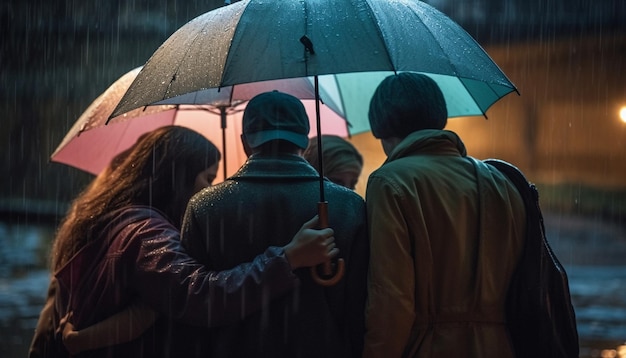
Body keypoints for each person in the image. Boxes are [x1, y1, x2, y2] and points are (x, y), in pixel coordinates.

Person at [29, 126, 339, 358]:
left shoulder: (107, 218)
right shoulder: (145, 232)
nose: (209, 189)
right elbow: (200, 295)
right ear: (177, 177)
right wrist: (288, 258)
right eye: (207, 177)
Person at [181, 91, 369, 358]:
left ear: (245, 142)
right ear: (304, 141)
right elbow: (359, 306)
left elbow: (195, 304)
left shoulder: (204, 206)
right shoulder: (348, 205)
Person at [362, 73, 527, 358]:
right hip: (501, 346)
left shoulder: (390, 182)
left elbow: (392, 298)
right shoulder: (501, 182)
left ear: (381, 127)